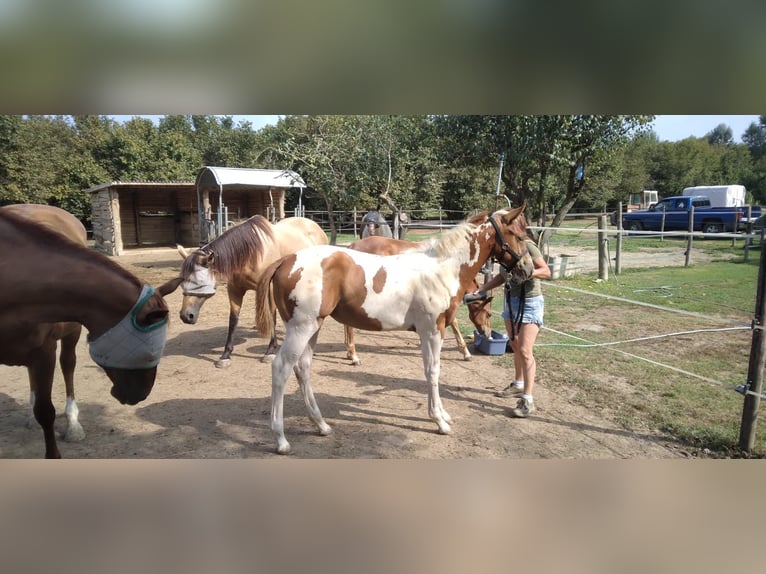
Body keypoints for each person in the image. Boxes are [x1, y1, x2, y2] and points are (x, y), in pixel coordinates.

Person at [473, 230, 551, 418]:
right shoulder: (505, 250)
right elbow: (502, 276)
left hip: (530, 301)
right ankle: (518, 384)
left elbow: (546, 271)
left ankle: (528, 400)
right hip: (510, 301)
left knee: (525, 350)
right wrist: (483, 288)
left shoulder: (527, 245)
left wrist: (527, 274)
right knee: (515, 346)